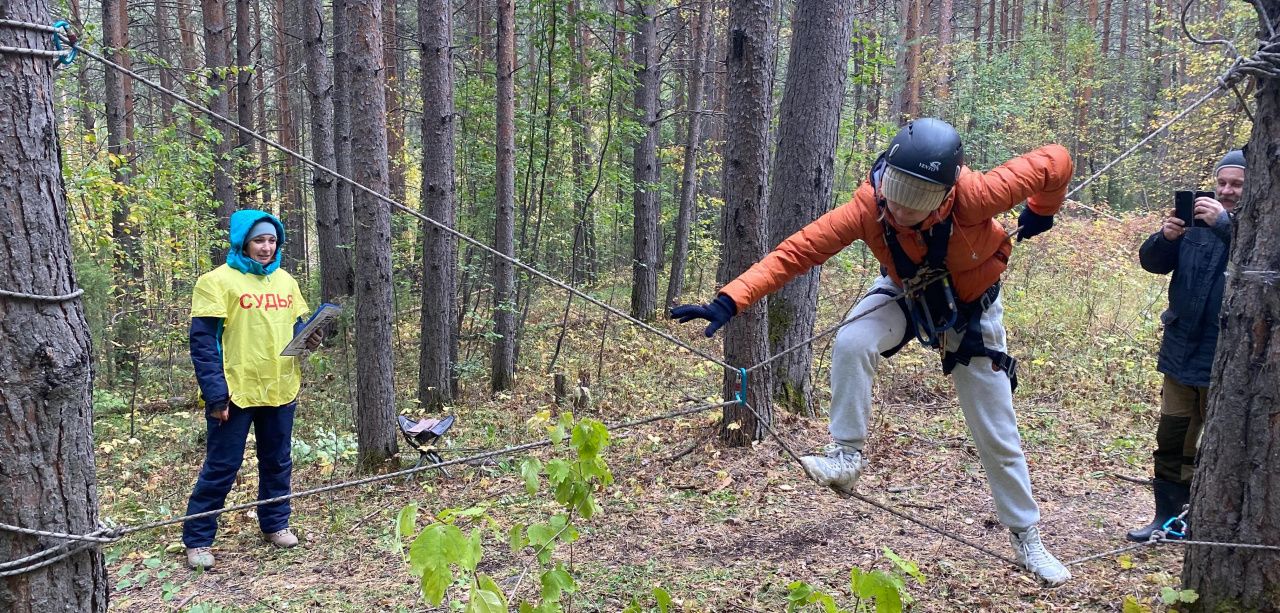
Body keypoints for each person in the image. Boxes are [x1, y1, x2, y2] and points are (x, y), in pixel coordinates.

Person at [671, 118, 1075, 586]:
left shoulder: (979, 194)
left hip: (972, 309)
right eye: (897, 190)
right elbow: (797, 252)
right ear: (885, 174)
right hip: (905, 293)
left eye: (918, 199)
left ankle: (1027, 536)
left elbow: (1057, 161)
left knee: (996, 431)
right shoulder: (868, 206)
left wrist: (1043, 210)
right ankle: (846, 456)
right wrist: (730, 299)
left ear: (945, 194)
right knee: (852, 339)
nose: (901, 209)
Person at [183, 210, 324, 570]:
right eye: (259, 240)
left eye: (272, 240)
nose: (266, 247)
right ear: (243, 240)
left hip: (280, 387)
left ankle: (275, 523)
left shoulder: (286, 282)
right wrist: (215, 394)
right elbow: (203, 343)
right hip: (235, 393)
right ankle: (198, 540)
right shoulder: (216, 282)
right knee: (222, 467)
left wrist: (310, 338)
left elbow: (293, 328)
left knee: (277, 461)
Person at [1127, 149, 1245, 542]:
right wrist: (1166, 237)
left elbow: (1255, 260)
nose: (1226, 191)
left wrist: (1227, 226)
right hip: (1180, 351)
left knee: (1220, 444)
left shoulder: (1256, 228)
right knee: (1172, 438)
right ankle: (1165, 519)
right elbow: (1152, 262)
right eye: (1222, 183)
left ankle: (1205, 523)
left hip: (1227, 357)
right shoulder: (1194, 224)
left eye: (1236, 185)